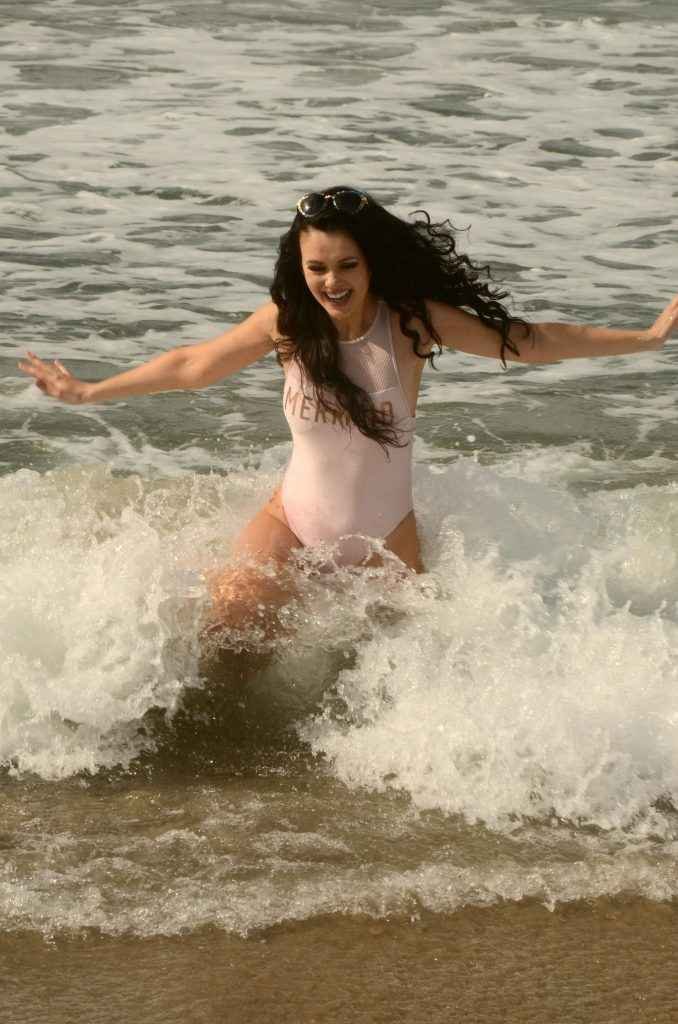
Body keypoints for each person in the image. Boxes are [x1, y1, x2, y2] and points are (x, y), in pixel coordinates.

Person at [18, 186, 678, 639]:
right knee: (227, 646)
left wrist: (644, 339)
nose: (331, 281)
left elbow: (527, 341)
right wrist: (89, 392)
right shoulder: (286, 324)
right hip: (291, 524)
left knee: (401, 676)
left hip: (385, 543)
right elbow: (195, 365)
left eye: (346, 265)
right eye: (317, 267)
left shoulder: (412, 325)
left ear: (370, 263)